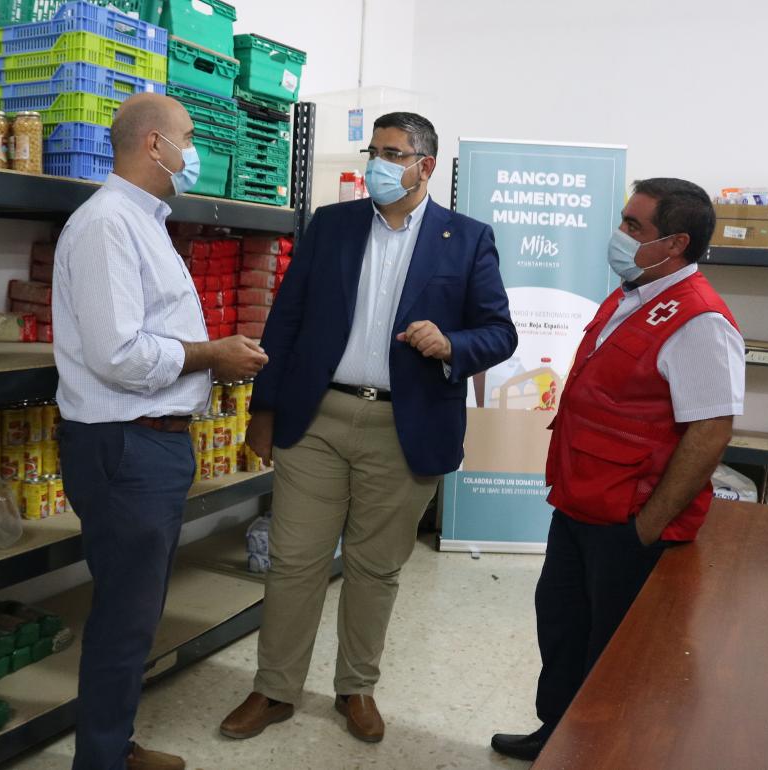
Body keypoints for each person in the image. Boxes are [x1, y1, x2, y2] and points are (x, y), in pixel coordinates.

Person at [220, 112, 518, 743]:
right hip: (318, 417)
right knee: (295, 561)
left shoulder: (466, 239)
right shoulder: (332, 225)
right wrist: (264, 411)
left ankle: (356, 688)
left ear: (425, 166)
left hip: (404, 425)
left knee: (374, 568)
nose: (379, 164)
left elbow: (500, 332)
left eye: (393, 153)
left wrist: (451, 343)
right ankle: (273, 689)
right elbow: (287, 321)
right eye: (374, 150)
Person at [491, 178, 745, 761]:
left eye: (634, 226)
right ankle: (556, 737)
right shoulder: (633, 292)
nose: (619, 234)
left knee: (619, 652)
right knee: (562, 627)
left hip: (629, 520)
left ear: (675, 243)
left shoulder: (701, 319)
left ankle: (606, 753)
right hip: (580, 502)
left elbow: (710, 432)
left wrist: (647, 527)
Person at [52, 92, 268, 770]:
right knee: (125, 617)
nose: (195, 151)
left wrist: (210, 364)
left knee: (135, 612)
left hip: (153, 440)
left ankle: (113, 745)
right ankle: (103, 761)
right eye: (189, 136)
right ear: (154, 145)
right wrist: (213, 354)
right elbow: (119, 355)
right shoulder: (107, 225)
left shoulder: (145, 222)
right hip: (126, 445)